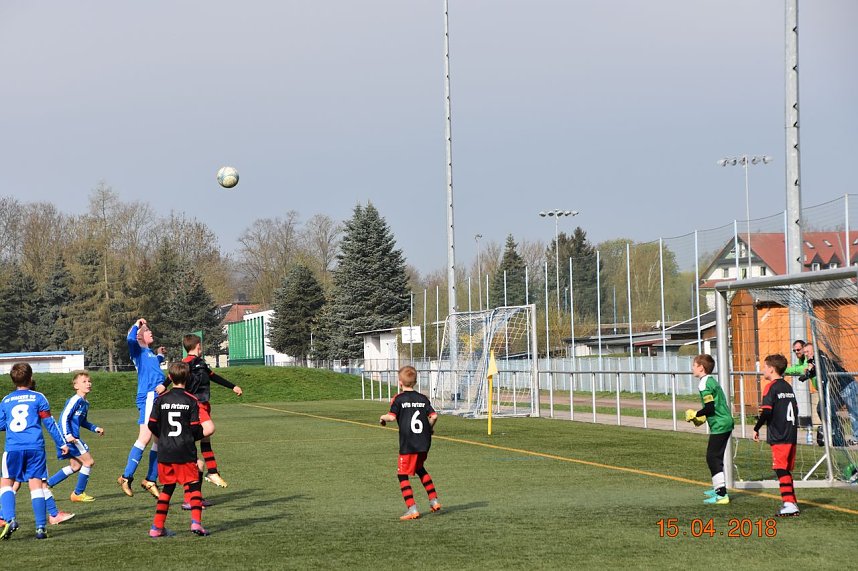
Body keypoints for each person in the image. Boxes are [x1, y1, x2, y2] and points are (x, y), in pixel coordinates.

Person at [0, 363, 69, 540]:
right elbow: (49, 423)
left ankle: (9, 519)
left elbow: (1, 424)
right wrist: (61, 443)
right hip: (35, 447)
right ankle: (40, 528)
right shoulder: (38, 397)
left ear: (13, 380)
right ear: (30, 378)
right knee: (36, 485)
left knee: (6, 483)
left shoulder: (6, 400)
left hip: (13, 448)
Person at [147, 361, 215, 538]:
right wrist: (191, 437)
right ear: (188, 377)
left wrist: (164, 437)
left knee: (167, 489)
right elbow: (195, 428)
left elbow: (151, 424)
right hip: (185, 451)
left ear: (170, 377)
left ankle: (156, 527)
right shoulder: (191, 400)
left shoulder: (161, 399)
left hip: (165, 451)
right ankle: (196, 523)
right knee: (194, 486)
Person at [379, 365, 441, 520]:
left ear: (400, 382)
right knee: (419, 468)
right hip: (424, 443)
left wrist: (382, 418)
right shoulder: (423, 398)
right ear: (415, 382)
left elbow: (391, 417)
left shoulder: (398, 399)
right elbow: (434, 416)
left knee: (402, 474)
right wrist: (430, 429)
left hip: (409, 444)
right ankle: (434, 501)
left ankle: (412, 509)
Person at [181, 334, 242, 489]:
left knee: (206, 439)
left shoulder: (201, 363)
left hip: (205, 403)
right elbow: (173, 377)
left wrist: (233, 386)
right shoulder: (186, 363)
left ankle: (213, 472)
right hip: (195, 405)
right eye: (201, 345)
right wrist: (163, 385)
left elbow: (214, 377)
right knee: (209, 429)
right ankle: (182, 442)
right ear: (198, 346)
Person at [119, 317, 167, 498]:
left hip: (158, 397)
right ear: (139, 336)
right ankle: (126, 476)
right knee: (145, 437)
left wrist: (160, 355)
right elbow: (129, 339)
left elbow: (153, 366)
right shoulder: (137, 350)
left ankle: (150, 479)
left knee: (159, 440)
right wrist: (137, 325)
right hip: (148, 397)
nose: (150, 332)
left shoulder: (149, 353)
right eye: (147, 330)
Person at [753, 354, 800, 517]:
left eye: (765, 367)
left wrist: (756, 428)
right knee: (785, 469)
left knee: (780, 469)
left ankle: (789, 504)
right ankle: (791, 502)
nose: (763, 370)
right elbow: (796, 409)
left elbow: (766, 411)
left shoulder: (771, 387)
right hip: (791, 434)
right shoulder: (788, 387)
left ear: (772, 369)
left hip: (779, 435)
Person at [684, 354, 734, 505]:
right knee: (715, 457)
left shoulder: (704, 384)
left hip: (720, 424)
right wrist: (702, 416)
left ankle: (721, 494)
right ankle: (718, 489)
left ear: (701, 367)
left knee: (712, 458)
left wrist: (695, 414)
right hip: (724, 421)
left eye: (694, 365)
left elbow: (710, 408)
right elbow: (714, 406)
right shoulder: (711, 380)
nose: (692, 368)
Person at [48, 371, 105, 502]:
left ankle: (47, 485)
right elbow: (64, 418)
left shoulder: (85, 403)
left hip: (70, 437)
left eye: (89, 381)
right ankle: (78, 493)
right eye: (84, 381)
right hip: (69, 438)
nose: (88, 384)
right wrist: (67, 435)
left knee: (76, 466)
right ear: (76, 386)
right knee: (88, 462)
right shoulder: (75, 400)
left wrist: (95, 428)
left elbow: (82, 421)